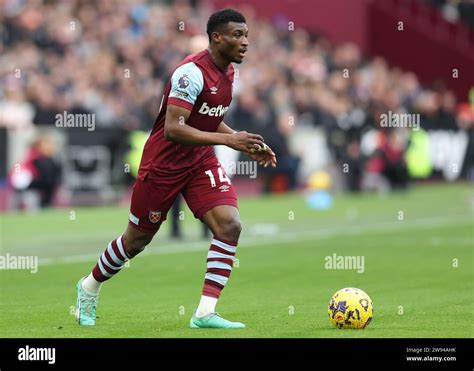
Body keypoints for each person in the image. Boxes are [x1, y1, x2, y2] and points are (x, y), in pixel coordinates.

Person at [75, 9, 276, 329]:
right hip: (163, 165)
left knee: (229, 225)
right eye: (238, 35)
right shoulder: (190, 73)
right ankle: (89, 286)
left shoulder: (229, 72)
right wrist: (230, 142)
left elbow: (208, 117)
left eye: (247, 35)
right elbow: (174, 128)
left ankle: (204, 312)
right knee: (136, 241)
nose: (245, 42)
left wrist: (240, 140)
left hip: (199, 161)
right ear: (217, 38)